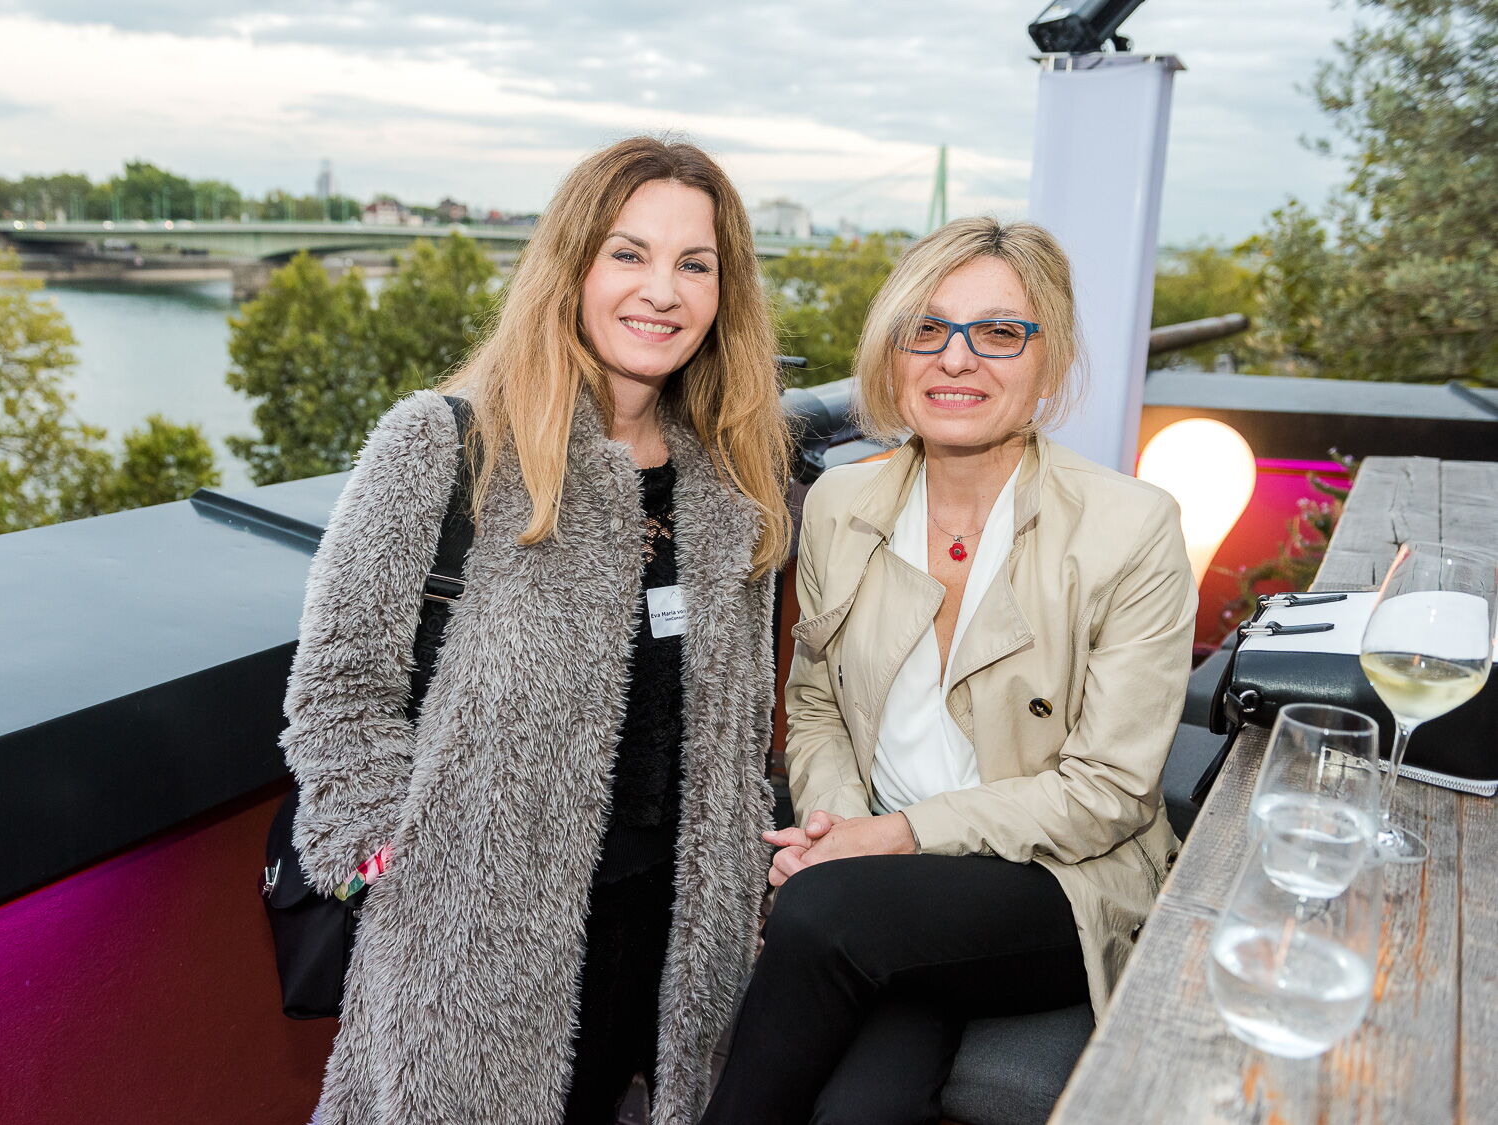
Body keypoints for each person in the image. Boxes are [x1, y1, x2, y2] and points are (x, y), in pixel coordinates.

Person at [281, 136, 790, 1125]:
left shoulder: (733, 490)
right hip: (471, 960)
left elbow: (736, 737)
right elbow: (339, 688)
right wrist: (393, 873)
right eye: (628, 253)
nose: (662, 291)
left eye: (695, 264)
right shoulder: (445, 446)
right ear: (573, 264)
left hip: (674, 955)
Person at [700, 217, 1196, 1125]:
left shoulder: (1132, 527)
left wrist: (890, 841)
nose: (955, 358)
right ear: (891, 354)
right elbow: (815, 705)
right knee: (859, 1108)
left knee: (823, 915)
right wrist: (837, 826)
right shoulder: (842, 502)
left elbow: (1110, 792)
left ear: (1050, 362)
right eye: (925, 328)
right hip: (881, 894)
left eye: (998, 331)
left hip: (1054, 880)